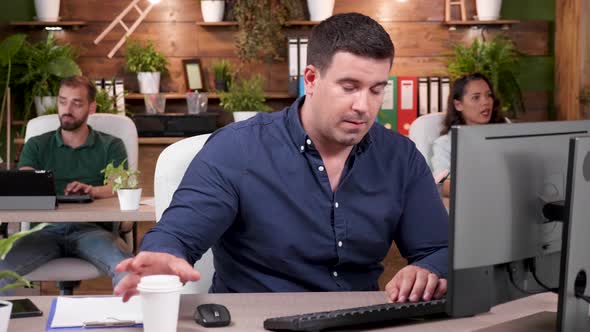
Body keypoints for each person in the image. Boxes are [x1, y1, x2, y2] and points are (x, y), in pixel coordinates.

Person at [115, 13, 448, 304]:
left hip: (356, 318)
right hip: (255, 320)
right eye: (349, 86)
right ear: (311, 80)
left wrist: (428, 269)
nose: (364, 105)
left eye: (376, 89)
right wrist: (162, 255)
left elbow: (439, 248)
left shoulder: (400, 157)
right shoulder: (238, 149)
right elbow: (178, 233)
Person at [0, 76, 132, 290]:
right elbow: (26, 183)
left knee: (129, 271)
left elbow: (119, 186)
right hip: (44, 231)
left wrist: (93, 191)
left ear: (91, 107)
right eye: (62, 101)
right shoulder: (37, 144)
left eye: (76, 103)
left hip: (94, 231)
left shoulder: (111, 145)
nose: (67, 109)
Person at [431, 73, 507, 197]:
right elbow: (441, 184)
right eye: (476, 97)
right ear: (458, 105)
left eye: (489, 95)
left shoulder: (506, 132)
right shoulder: (445, 144)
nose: (486, 102)